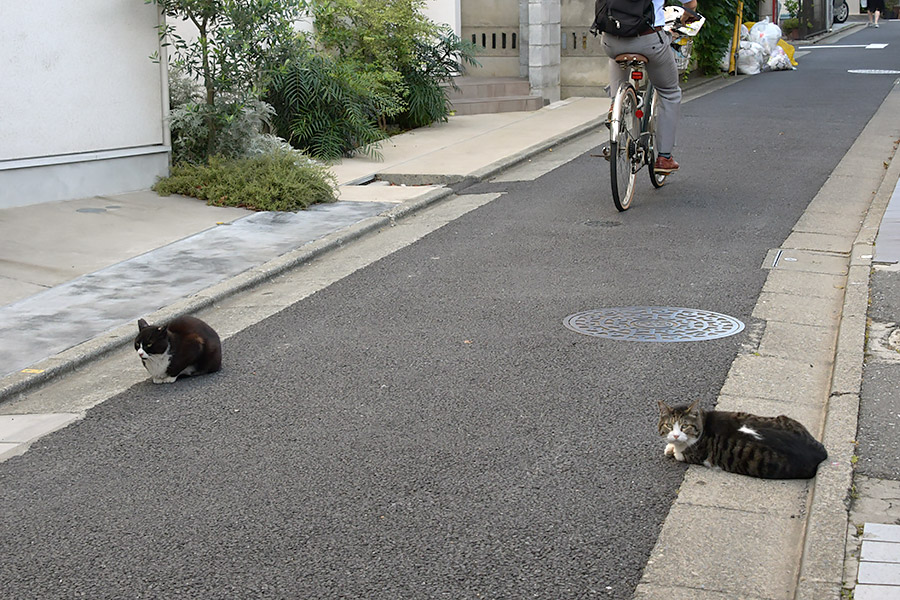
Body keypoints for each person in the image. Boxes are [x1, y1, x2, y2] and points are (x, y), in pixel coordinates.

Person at [600, 0, 698, 174]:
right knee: (669, 92)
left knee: (616, 55)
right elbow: (690, 4)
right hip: (648, 41)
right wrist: (685, 16)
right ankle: (664, 158)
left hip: (611, 41)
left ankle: (616, 105)